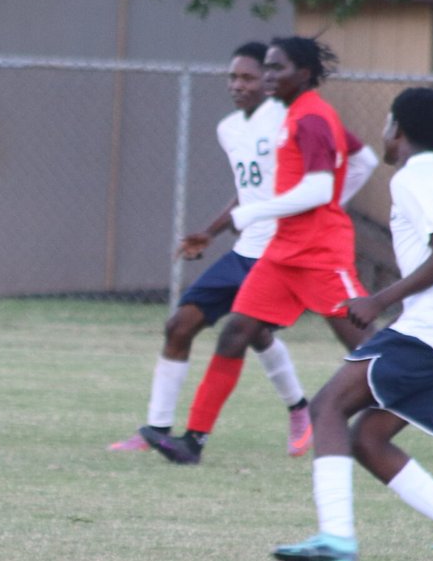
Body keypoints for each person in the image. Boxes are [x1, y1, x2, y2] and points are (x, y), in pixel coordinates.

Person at [272, 87, 433, 561]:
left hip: (432, 334)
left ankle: (336, 538)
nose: (383, 134)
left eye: (387, 124)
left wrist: (378, 300)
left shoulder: (412, 180)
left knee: (327, 406)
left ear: (398, 129)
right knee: (367, 440)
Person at [142, 36, 374, 465]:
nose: (266, 77)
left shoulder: (312, 117)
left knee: (366, 343)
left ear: (303, 73)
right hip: (281, 252)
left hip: (320, 253)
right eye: (264, 68)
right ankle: (192, 442)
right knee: (235, 333)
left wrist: (256, 212)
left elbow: (322, 187)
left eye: (275, 68)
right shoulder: (288, 115)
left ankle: (399, 407)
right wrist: (236, 221)